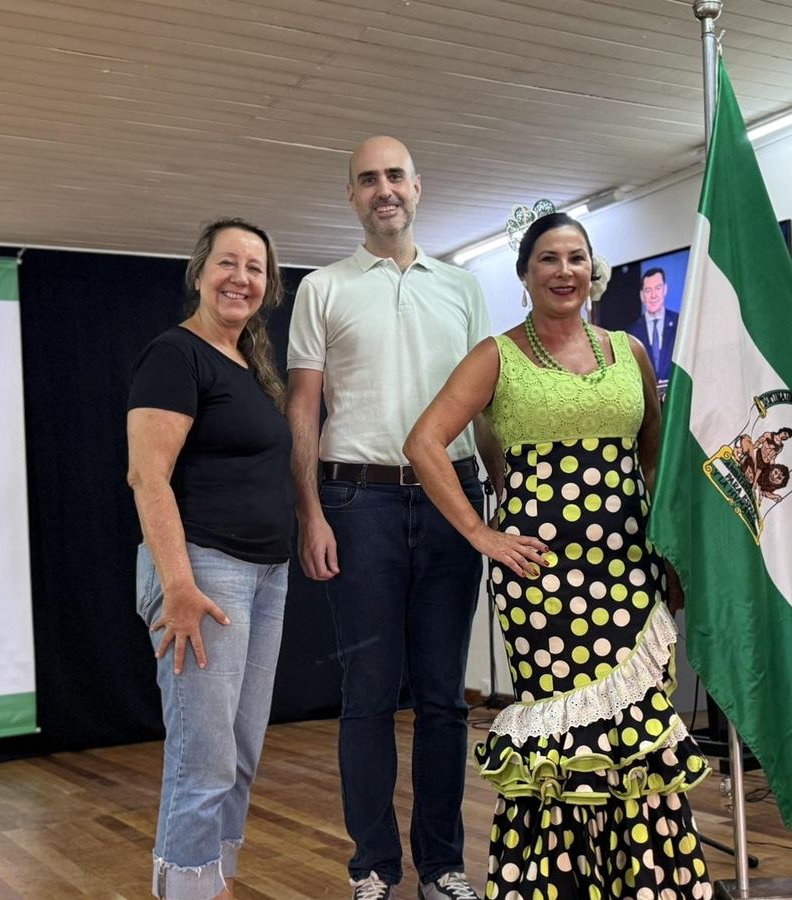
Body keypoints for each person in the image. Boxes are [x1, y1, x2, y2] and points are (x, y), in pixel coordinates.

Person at [404, 212, 714, 899]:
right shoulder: (497, 355)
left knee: (639, 728)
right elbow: (424, 442)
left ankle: (648, 886)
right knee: (565, 739)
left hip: (628, 569)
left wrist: (663, 546)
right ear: (525, 274)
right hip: (539, 578)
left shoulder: (629, 351)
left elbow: (654, 449)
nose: (565, 270)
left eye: (577, 257)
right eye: (548, 258)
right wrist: (483, 534)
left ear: (592, 270)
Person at [287, 136, 497, 900]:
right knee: (369, 693)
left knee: (444, 696)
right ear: (351, 197)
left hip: (454, 501)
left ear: (418, 187)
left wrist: (500, 501)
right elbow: (304, 406)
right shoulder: (324, 288)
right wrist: (310, 512)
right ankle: (372, 866)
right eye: (368, 179)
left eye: (395, 176)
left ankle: (442, 865)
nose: (385, 189)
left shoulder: (463, 286)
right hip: (357, 502)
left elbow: (484, 403)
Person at [127, 218, 294, 900]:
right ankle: (187, 889)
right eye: (229, 263)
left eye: (255, 268)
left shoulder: (249, 365)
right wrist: (179, 586)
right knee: (203, 758)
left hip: (263, 578)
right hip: (202, 575)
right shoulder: (176, 355)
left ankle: (211, 883)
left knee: (239, 753)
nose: (242, 278)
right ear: (199, 274)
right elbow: (147, 476)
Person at [626, 266, 680, 377]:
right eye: (648, 290)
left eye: (658, 288)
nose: (653, 295)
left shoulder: (680, 323)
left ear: (665, 290)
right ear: (642, 296)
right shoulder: (631, 332)